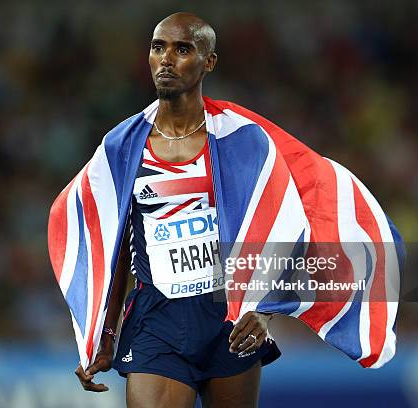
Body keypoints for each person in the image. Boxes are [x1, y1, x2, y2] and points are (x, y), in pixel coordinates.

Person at [73, 12, 281, 408]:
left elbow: (272, 229)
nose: (166, 59)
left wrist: (264, 309)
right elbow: (114, 245)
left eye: (182, 49)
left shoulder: (242, 140)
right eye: (158, 47)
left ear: (209, 61)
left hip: (229, 317)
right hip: (158, 316)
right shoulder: (123, 145)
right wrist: (106, 329)